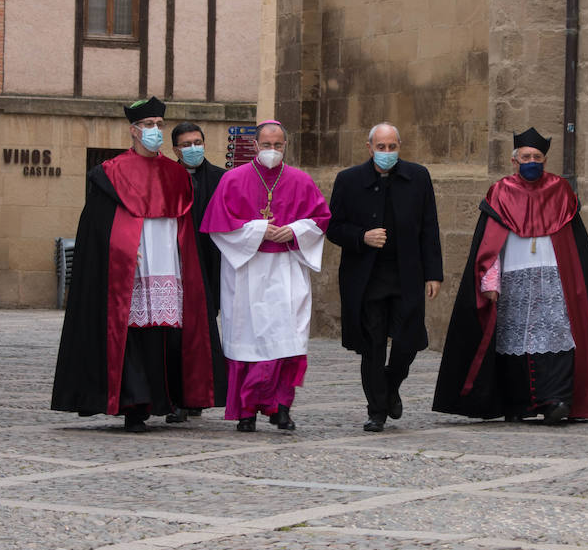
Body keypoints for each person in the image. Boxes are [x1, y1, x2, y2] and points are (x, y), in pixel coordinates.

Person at [433, 127, 588, 424]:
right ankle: (520, 403)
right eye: (525, 156)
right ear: (514, 161)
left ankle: (556, 400)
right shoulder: (501, 192)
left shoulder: (560, 190)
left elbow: (573, 244)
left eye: (537, 156)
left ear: (545, 160)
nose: (531, 161)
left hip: (554, 277)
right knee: (516, 339)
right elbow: (489, 243)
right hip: (514, 276)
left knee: (558, 333)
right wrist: (489, 279)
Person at [51, 97, 215, 432]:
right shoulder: (110, 173)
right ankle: (132, 405)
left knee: (163, 337)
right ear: (133, 131)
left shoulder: (176, 174)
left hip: (167, 264)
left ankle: (162, 399)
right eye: (149, 125)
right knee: (130, 338)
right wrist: (119, 248)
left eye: (159, 124)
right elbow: (96, 226)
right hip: (130, 268)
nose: (155, 131)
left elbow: (183, 226)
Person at [199, 121, 331, 432]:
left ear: (286, 146)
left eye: (278, 145)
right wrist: (259, 229)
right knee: (249, 343)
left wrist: (295, 230)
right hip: (247, 272)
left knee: (287, 343)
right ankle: (246, 411)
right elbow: (218, 225)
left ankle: (281, 408)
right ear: (255, 146)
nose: (272, 151)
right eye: (267, 144)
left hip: (287, 270)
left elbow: (321, 219)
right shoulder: (233, 180)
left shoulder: (301, 180)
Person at [327, 122, 443, 432]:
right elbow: (333, 227)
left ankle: (391, 386)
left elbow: (429, 227)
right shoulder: (348, 180)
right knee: (373, 345)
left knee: (408, 342)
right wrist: (361, 236)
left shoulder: (418, 177)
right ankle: (376, 410)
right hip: (366, 279)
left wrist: (434, 273)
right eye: (381, 147)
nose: (387, 153)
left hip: (407, 275)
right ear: (369, 148)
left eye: (392, 147)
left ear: (399, 147)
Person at [170, 120, 228, 418]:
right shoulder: (167, 177)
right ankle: (178, 399)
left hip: (210, 266)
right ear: (175, 150)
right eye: (186, 144)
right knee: (176, 336)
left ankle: (198, 396)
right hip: (176, 267)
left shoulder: (221, 179)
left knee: (203, 335)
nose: (194, 148)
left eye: (198, 142)